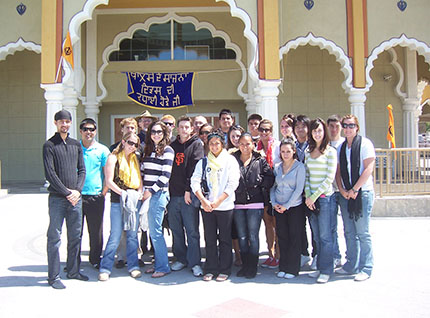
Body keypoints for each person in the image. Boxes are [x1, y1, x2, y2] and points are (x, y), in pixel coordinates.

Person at [43, 110, 87, 289]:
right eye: (61, 121)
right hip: (57, 199)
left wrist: (77, 190)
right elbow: (50, 173)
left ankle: (73, 271)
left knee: (75, 236)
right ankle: (53, 277)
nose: (65, 124)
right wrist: (67, 193)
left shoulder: (76, 144)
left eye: (68, 121)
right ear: (55, 123)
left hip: (75, 199)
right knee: (54, 237)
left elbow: (82, 170)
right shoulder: (49, 145)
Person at [191, 131, 240, 282]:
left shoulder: (230, 161)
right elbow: (195, 181)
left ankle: (225, 269)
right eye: (211, 143)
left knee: (225, 239)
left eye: (217, 143)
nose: (214, 146)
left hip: (224, 206)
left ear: (222, 144)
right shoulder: (203, 162)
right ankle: (211, 268)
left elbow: (233, 183)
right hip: (207, 207)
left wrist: (218, 201)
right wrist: (203, 201)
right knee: (210, 238)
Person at [335, 115, 375, 282]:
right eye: (345, 125)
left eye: (351, 125)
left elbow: (368, 168)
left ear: (357, 127)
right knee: (349, 232)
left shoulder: (365, 144)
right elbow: (338, 172)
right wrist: (342, 189)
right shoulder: (341, 147)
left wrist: (355, 188)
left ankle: (366, 267)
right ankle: (351, 264)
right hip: (346, 194)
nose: (348, 128)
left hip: (362, 193)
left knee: (362, 232)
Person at [98, 132, 143, 281]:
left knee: (132, 235)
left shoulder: (135, 159)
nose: (132, 146)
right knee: (115, 235)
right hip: (118, 200)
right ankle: (105, 267)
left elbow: (139, 180)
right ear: (123, 142)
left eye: (136, 144)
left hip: (133, 201)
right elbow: (109, 181)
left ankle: (133, 266)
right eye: (130, 143)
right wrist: (123, 193)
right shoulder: (113, 158)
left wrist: (139, 192)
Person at [233, 133, 274, 278]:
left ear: (253, 144)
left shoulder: (259, 160)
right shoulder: (233, 159)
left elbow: (269, 177)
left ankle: (252, 267)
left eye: (248, 143)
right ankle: (245, 265)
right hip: (237, 202)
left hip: (255, 202)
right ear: (238, 144)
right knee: (242, 237)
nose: (245, 146)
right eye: (242, 143)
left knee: (253, 235)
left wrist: (258, 184)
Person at [168, 116, 204, 277]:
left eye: (186, 127)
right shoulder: (171, 146)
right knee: (176, 229)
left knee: (192, 230)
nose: (183, 129)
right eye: (181, 127)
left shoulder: (196, 145)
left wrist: (188, 189)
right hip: (172, 194)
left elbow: (195, 168)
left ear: (191, 129)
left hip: (188, 195)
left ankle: (195, 262)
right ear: (177, 128)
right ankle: (181, 259)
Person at [304, 118, 337, 284]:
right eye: (314, 130)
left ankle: (326, 270)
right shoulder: (308, 152)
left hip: (325, 199)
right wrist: (309, 196)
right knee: (316, 236)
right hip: (311, 200)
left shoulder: (331, 152)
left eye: (320, 130)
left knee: (325, 236)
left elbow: (329, 178)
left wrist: (314, 196)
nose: (317, 133)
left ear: (324, 132)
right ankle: (319, 267)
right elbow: (307, 176)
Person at [141, 121, 174, 278]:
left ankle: (163, 266)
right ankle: (157, 263)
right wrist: (142, 190)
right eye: (153, 131)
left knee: (155, 232)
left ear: (165, 133)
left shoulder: (168, 151)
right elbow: (142, 171)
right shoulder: (147, 150)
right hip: (146, 193)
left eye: (160, 132)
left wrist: (150, 191)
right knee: (151, 231)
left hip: (158, 194)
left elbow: (165, 175)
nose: (156, 134)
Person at [271, 138, 306, 279]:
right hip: (279, 207)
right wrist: (274, 202)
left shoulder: (299, 167)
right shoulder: (277, 167)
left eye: (288, 151)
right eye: (283, 151)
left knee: (294, 237)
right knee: (282, 237)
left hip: (294, 207)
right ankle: (283, 266)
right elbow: (273, 187)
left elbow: (299, 189)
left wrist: (287, 205)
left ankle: (292, 268)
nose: (285, 154)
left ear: (294, 152)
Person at [78, 118, 110, 270]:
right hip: (76, 196)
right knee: (75, 231)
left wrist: (103, 193)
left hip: (95, 196)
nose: (88, 132)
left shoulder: (102, 150)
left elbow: (107, 173)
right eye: (85, 129)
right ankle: (73, 261)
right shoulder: (74, 148)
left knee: (95, 231)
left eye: (91, 129)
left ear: (95, 131)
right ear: (80, 131)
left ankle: (95, 259)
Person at [257, 119, 281, 269]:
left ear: (271, 131)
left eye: (267, 130)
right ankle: (270, 254)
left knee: (277, 224)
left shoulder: (278, 146)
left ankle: (278, 255)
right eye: (261, 130)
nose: (264, 132)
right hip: (263, 190)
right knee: (268, 223)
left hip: (278, 188)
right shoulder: (256, 148)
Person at [294, 114, 315, 268]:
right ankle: (303, 253)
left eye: (303, 126)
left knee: (315, 225)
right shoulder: (292, 146)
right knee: (299, 226)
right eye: (297, 126)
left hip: (312, 193)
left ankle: (317, 255)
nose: (300, 129)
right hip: (296, 194)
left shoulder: (314, 146)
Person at [327, 114, 345, 268]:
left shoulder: (346, 144)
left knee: (350, 228)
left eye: (337, 126)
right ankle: (335, 256)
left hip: (345, 191)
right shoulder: (324, 145)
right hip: (330, 191)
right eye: (331, 126)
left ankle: (353, 259)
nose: (334, 129)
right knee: (331, 227)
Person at [227, 124, 245, 267]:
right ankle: (238, 256)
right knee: (234, 229)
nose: (235, 139)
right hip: (231, 197)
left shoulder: (248, 152)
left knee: (247, 229)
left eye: (238, 136)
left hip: (246, 197)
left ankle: (248, 256)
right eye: (232, 136)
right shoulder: (226, 154)